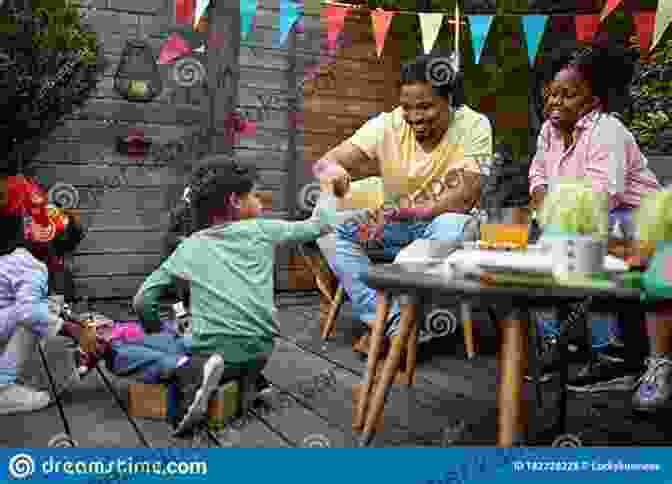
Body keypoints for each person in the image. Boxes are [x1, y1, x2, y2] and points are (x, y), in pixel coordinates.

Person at [133, 156, 337, 436]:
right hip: (261, 350)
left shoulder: (189, 245)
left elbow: (143, 301)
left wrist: (157, 334)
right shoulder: (265, 230)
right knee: (235, 348)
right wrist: (329, 188)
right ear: (235, 201)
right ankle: (251, 382)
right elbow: (322, 224)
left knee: (151, 345)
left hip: (209, 346)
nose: (261, 202)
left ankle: (198, 374)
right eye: (255, 195)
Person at [314, 50, 492, 348]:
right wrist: (332, 171)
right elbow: (329, 161)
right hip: (397, 226)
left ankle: (391, 329)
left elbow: (465, 196)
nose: (414, 117)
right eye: (407, 107)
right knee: (329, 227)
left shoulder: (474, 126)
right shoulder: (388, 124)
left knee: (451, 223)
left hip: (445, 229)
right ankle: (394, 325)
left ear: (449, 100)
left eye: (425, 107)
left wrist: (408, 209)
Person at [529, 43, 660, 391]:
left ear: (593, 100)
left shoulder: (607, 131)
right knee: (538, 248)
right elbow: (538, 177)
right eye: (551, 94)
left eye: (568, 95)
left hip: (637, 221)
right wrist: (546, 212)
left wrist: (558, 219)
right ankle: (554, 345)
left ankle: (610, 356)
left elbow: (604, 194)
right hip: (578, 219)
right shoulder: (548, 132)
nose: (556, 102)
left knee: (583, 245)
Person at [0, 171, 64, 414]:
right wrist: (73, 330)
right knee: (38, 311)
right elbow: (30, 313)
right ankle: (2, 390)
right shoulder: (25, 262)